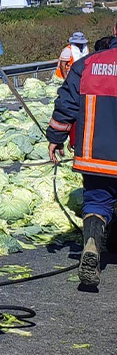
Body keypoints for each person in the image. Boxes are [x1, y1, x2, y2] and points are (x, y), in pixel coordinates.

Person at [48, 35, 117, 287]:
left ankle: (91, 244)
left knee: (97, 203)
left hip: (96, 156)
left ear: (114, 30)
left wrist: (56, 136)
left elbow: (66, 104)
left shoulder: (87, 65)